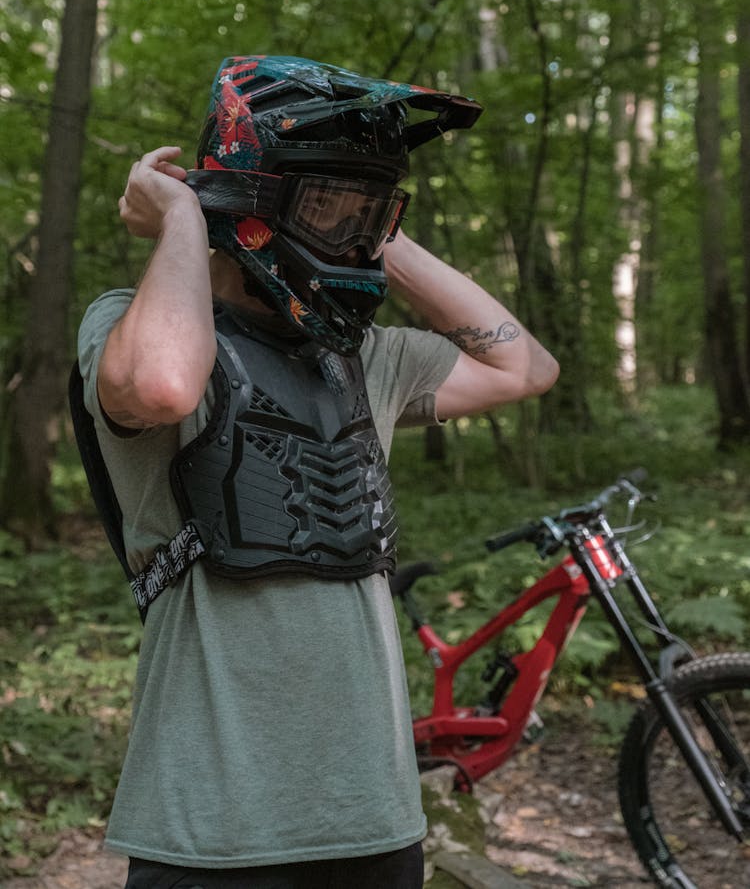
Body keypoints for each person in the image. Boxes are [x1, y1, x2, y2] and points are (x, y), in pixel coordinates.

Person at [76, 55, 559, 889]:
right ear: (249, 198)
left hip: (375, 816)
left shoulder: (362, 357)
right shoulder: (124, 323)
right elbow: (160, 383)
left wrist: (383, 237)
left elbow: (522, 367)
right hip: (214, 828)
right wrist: (188, 219)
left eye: (371, 210)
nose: (356, 233)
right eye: (330, 206)